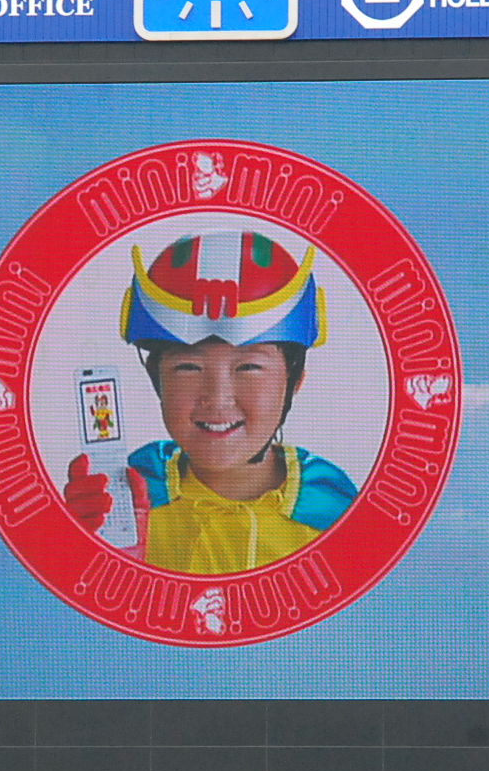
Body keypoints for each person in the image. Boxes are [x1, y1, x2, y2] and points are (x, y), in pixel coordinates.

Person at [62, 230, 356, 574]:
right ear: (157, 379)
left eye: (249, 367)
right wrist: (84, 559)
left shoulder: (333, 508)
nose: (217, 398)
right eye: (188, 367)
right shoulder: (128, 496)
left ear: (293, 382)